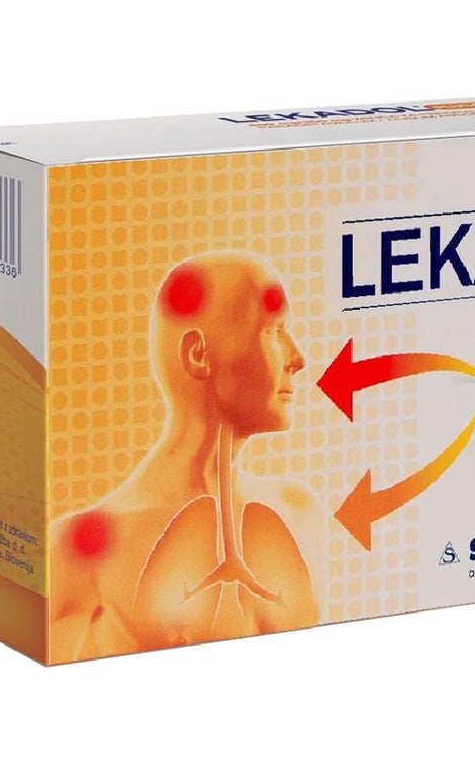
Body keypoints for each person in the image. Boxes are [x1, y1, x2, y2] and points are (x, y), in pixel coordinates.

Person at [50, 252, 323, 662]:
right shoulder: (81, 553)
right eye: (273, 331)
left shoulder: (301, 512)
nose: (298, 359)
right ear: (198, 354)